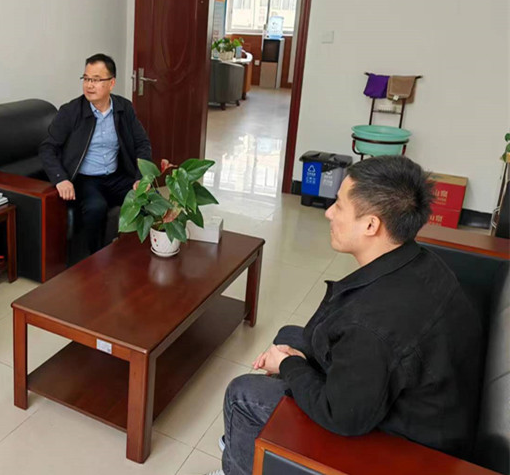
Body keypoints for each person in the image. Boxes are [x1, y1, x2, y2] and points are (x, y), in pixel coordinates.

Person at [207, 156, 483, 475]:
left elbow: (341, 415)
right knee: (291, 336)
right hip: (421, 404)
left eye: (338, 205)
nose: (328, 213)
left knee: (243, 394)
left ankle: (240, 463)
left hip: (407, 447)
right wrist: (295, 361)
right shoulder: (421, 261)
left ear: (371, 225)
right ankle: (247, 441)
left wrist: (289, 365)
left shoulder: (372, 325)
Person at [39, 53, 152, 253]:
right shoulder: (70, 111)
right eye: (86, 79)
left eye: (96, 80)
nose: (89, 85)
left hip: (116, 175)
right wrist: (60, 179)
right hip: (85, 179)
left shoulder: (124, 108)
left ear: (112, 83)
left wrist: (140, 177)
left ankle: (136, 254)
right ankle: (94, 262)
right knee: (96, 207)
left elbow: (142, 143)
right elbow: (47, 148)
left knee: (150, 199)